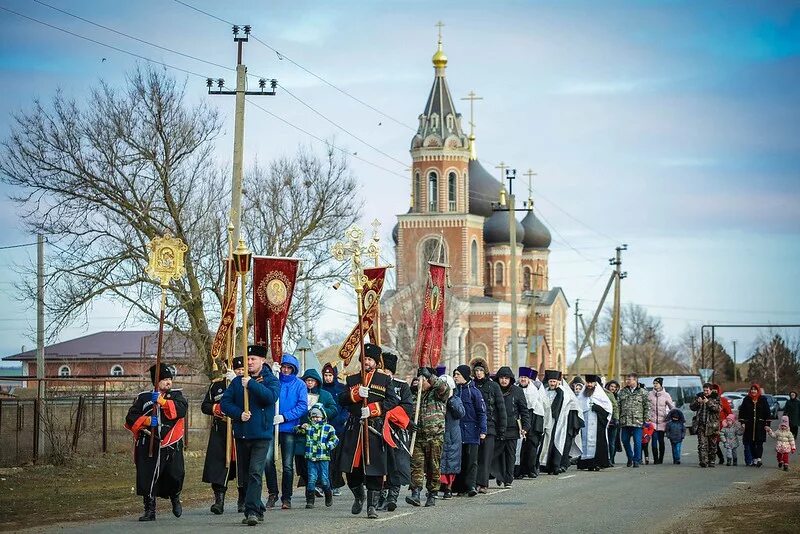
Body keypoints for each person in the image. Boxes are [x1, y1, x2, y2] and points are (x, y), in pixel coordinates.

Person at [220, 345, 281, 526]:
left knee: (255, 472)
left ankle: (252, 510)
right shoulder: (238, 382)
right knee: (245, 475)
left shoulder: (271, 380)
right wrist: (239, 414)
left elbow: (270, 397)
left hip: (261, 435)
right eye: (248, 359)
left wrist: (251, 384)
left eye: (253, 359)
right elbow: (225, 403)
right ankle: (257, 507)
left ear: (262, 360)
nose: (249, 362)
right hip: (242, 434)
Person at [337, 343, 398, 519]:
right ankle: (358, 496)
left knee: (374, 468)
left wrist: (373, 409)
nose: (366, 362)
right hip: (354, 429)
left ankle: (372, 506)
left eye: (370, 359)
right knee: (351, 469)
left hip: (374, 428)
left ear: (376, 362)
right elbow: (341, 399)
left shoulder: (385, 380)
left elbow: (392, 401)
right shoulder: (352, 379)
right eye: (364, 359)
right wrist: (354, 394)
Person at [125, 363, 188, 521]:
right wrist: (146, 420)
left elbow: (181, 410)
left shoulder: (176, 396)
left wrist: (163, 402)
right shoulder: (143, 397)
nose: (168, 382)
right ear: (156, 381)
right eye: (164, 379)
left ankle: (175, 498)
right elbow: (130, 418)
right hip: (149, 443)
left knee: (175, 474)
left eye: (170, 379)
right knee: (148, 477)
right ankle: (150, 510)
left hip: (171, 444)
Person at [201, 356, 244, 515]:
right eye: (235, 368)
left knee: (242, 466)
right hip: (221, 430)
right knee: (219, 467)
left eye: (241, 369)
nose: (239, 371)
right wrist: (218, 408)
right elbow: (205, 406)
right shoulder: (217, 385)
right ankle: (219, 501)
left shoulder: (247, 385)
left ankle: (243, 500)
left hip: (241, 429)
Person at [264, 353, 308, 509]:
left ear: (294, 369)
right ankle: (272, 493)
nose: (286, 370)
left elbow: (302, 406)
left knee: (288, 464)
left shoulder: (300, 385)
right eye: (284, 367)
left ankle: (286, 497)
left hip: (288, 428)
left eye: (289, 368)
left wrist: (285, 417)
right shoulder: (273, 381)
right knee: (268, 460)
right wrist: (270, 373)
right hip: (271, 427)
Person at [406, 366, 449, 507]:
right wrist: (409, 423)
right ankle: (415, 493)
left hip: (434, 436)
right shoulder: (413, 395)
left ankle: (432, 493)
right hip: (417, 436)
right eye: (419, 379)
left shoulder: (437, 393)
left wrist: (430, 376)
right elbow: (405, 412)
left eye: (423, 379)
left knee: (433, 466)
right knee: (416, 466)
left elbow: (444, 388)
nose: (420, 382)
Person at [377, 351, 413, 512]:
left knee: (396, 464)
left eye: (385, 370)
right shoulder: (375, 384)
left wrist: (392, 414)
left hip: (396, 431)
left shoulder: (402, 386)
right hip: (376, 429)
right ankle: (380, 496)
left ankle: (392, 496)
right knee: (379, 464)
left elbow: (407, 406)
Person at [295, 368, 339, 497]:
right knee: (301, 462)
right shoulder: (300, 393)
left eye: (312, 380)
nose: (309, 383)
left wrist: (321, 413)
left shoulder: (325, 395)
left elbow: (334, 409)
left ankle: (321, 486)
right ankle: (310, 484)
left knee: (320, 463)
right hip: (303, 432)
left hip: (319, 435)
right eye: (307, 380)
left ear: (317, 382)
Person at [471, 358, 507, 493]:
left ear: (485, 371)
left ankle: (483, 483)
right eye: (476, 371)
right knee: (474, 457)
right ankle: (473, 483)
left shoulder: (493, 386)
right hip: (474, 427)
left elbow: (501, 409)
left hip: (490, 426)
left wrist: (502, 428)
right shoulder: (471, 385)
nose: (479, 373)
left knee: (486, 457)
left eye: (481, 370)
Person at [492, 366, 531, 487]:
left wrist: (526, 426)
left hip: (512, 427)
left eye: (506, 378)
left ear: (511, 379)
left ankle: (508, 478)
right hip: (497, 427)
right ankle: (499, 475)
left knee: (510, 454)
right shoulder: (494, 389)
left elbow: (524, 410)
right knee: (497, 453)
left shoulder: (517, 391)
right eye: (501, 378)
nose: (504, 380)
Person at [539, 370, 583, 475]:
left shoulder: (563, 392)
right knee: (544, 443)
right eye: (551, 381)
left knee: (556, 443)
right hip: (546, 422)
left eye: (554, 381)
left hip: (558, 423)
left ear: (558, 381)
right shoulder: (544, 390)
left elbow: (562, 406)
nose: (552, 384)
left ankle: (555, 465)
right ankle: (543, 465)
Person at [295, 403, 339, 508]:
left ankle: (328, 494)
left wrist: (328, 446)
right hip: (311, 457)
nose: (316, 418)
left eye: (318, 416)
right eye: (313, 416)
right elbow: (296, 430)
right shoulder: (309, 427)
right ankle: (310, 500)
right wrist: (301, 426)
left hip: (323, 457)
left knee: (324, 478)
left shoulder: (329, 428)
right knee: (311, 478)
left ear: (323, 416)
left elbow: (335, 439)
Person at [452, 364, 486, 496]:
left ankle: (471, 485)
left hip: (472, 430)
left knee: (472, 460)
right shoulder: (454, 391)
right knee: (460, 460)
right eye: (454, 375)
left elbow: (481, 412)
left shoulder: (474, 392)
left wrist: (483, 430)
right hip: (457, 430)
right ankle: (459, 487)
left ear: (465, 376)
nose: (455, 377)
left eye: (458, 375)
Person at [576, 374, 612, 472]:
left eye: (591, 383)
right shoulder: (582, 394)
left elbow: (608, 409)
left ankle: (597, 463)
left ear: (595, 383)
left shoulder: (600, 395)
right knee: (584, 441)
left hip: (598, 424)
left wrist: (598, 408)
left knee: (598, 443)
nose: (589, 385)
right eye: (588, 383)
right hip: (585, 423)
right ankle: (585, 463)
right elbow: (578, 407)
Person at [320, 362, 347, 494]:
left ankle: (335, 483)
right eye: (326, 375)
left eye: (330, 375)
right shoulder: (321, 389)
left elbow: (346, 406)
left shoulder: (341, 388)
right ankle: (324, 483)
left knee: (336, 457)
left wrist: (342, 419)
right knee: (324, 456)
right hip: (323, 428)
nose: (328, 378)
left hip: (338, 428)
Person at [515, 367, 546, 479]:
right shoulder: (515, 389)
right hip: (518, 420)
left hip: (534, 419)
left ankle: (531, 470)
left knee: (531, 446)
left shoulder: (535, 390)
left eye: (525, 377)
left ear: (529, 379)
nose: (523, 379)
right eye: (521, 377)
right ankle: (519, 471)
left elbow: (541, 406)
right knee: (519, 447)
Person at [439, 374, 465, 499]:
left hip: (452, 435)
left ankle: (448, 488)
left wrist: (451, 401)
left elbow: (460, 413)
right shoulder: (436, 399)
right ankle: (438, 486)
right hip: (439, 433)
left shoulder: (455, 399)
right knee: (438, 461)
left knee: (451, 462)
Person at [617, 372, 650, 468]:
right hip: (625, 420)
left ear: (635, 380)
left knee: (637, 441)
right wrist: (617, 418)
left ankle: (636, 460)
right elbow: (618, 406)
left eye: (629, 379)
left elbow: (647, 406)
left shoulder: (642, 392)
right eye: (626, 379)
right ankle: (630, 457)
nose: (627, 381)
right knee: (625, 440)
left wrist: (646, 419)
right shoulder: (622, 392)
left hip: (637, 421)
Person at [738, 383, 771, 467]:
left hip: (760, 425)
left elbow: (767, 412)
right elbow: (742, 412)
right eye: (752, 389)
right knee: (751, 443)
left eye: (755, 389)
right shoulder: (746, 399)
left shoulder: (762, 399)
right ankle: (754, 458)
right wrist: (743, 423)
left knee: (759, 442)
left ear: (758, 390)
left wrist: (767, 424)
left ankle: (759, 458)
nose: (753, 391)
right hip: (749, 425)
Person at [690, 383, 721, 468]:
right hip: (701, 425)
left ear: (711, 390)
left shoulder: (716, 397)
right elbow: (692, 407)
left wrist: (708, 402)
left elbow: (718, 409)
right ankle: (703, 461)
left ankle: (712, 461)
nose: (705, 392)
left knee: (712, 445)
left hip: (712, 426)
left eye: (707, 390)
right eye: (704, 390)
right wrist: (697, 402)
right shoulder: (699, 396)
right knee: (702, 444)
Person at [647, 377, 674, 465]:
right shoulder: (649, 394)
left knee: (661, 441)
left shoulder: (666, 395)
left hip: (662, 421)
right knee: (654, 441)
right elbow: (646, 406)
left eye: (657, 383)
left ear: (661, 384)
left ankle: (661, 458)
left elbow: (672, 408)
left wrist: (670, 416)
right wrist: (647, 417)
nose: (655, 385)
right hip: (652, 422)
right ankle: (656, 459)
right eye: (654, 383)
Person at [711, 384, 732, 465]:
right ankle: (721, 457)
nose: (714, 392)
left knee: (726, 442)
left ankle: (730, 458)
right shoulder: (709, 400)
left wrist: (729, 422)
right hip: (713, 425)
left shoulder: (723, 400)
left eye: (716, 390)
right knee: (714, 443)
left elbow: (729, 412)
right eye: (713, 390)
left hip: (723, 425)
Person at [605, 380, 621, 465]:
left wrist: (617, 419)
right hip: (606, 421)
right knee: (606, 441)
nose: (613, 388)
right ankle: (606, 458)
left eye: (615, 387)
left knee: (612, 442)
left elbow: (618, 408)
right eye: (612, 386)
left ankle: (611, 458)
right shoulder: (604, 395)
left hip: (615, 422)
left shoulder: (617, 397)